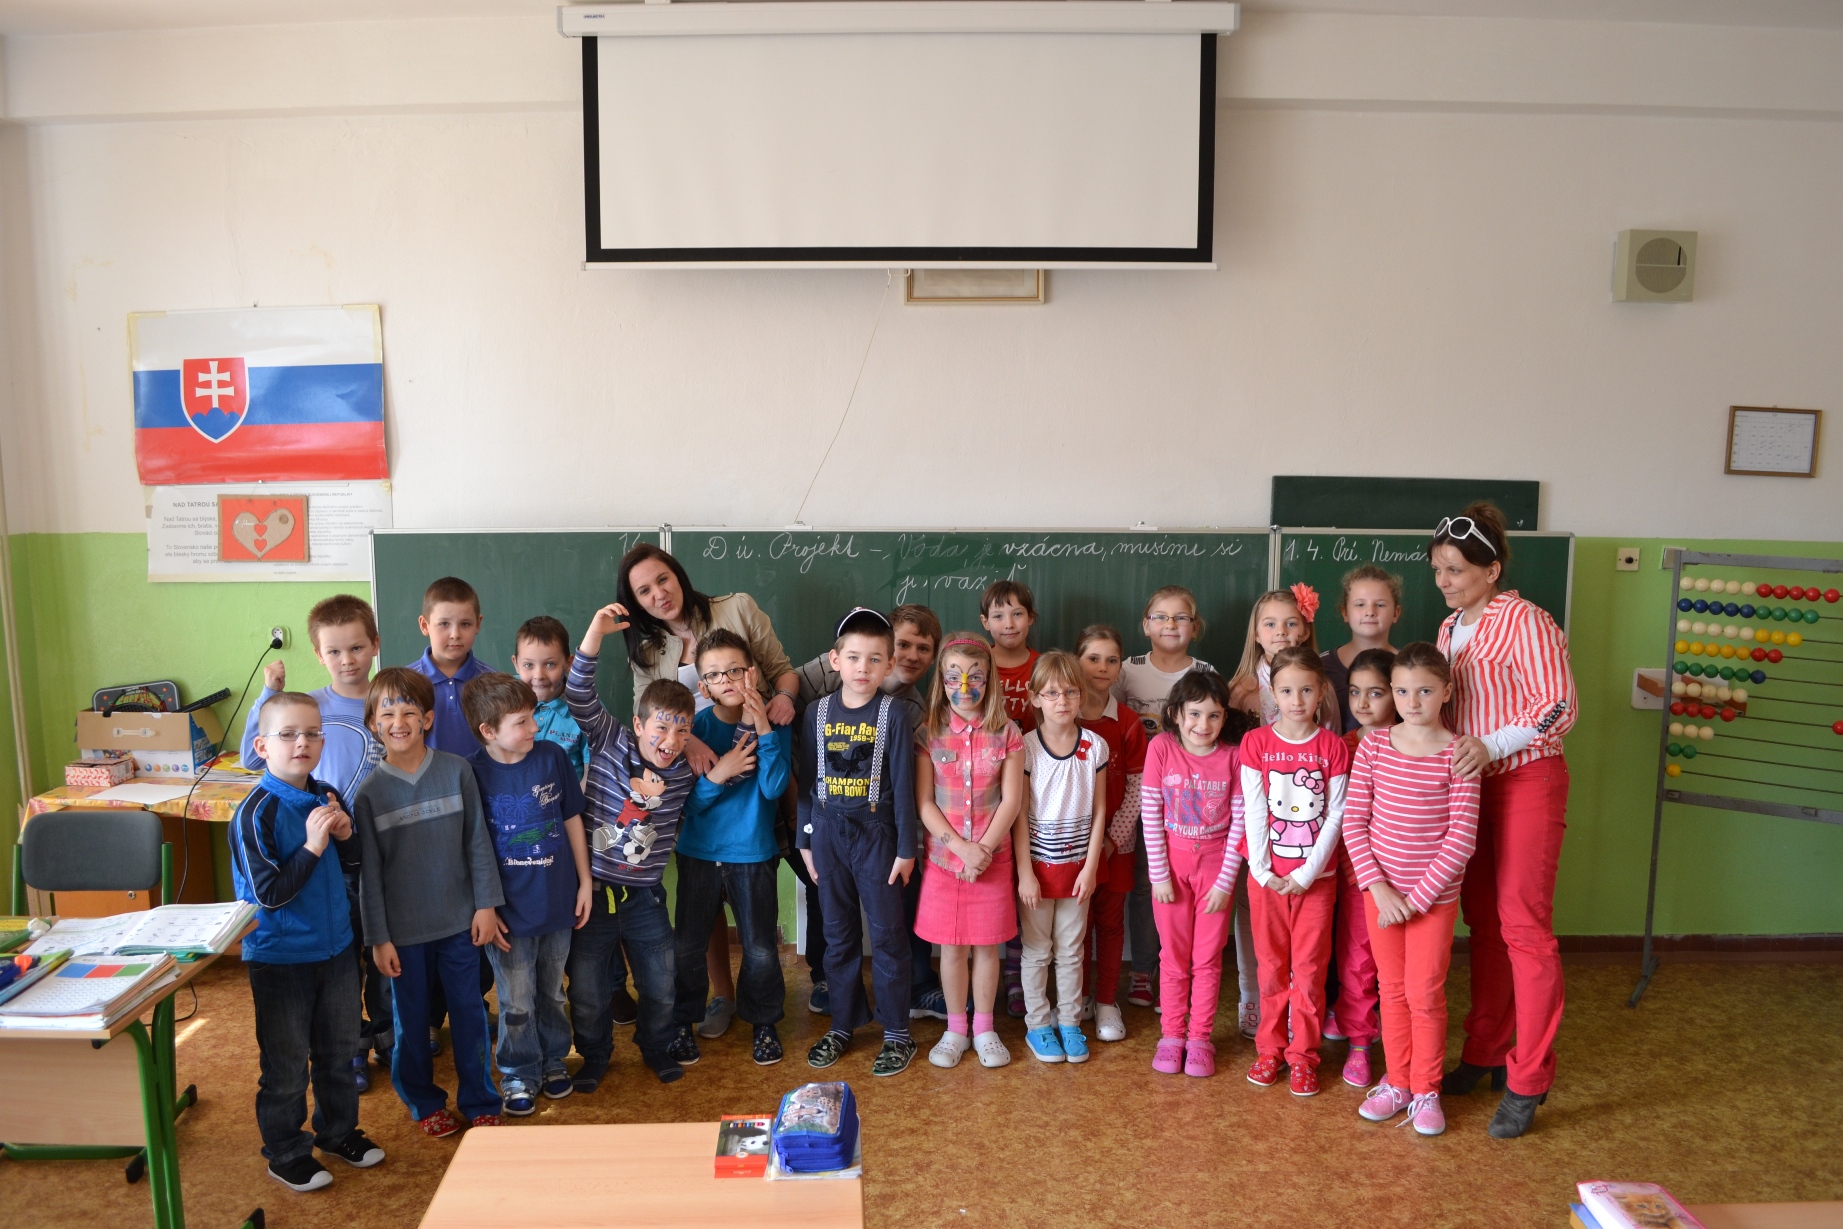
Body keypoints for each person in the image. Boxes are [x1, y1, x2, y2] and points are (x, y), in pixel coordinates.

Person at [1430, 503, 1577, 1139]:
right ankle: (1486, 1050)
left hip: (1526, 781)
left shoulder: (1526, 620)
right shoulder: (1448, 629)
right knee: (1484, 924)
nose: (1444, 580)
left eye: (1456, 569)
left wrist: (1492, 744)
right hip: (1472, 788)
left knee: (1523, 927)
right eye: (1438, 569)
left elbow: (1558, 706)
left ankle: (1529, 1077)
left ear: (1491, 570)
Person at [230, 691, 385, 1192]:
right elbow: (268, 895)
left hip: (336, 949)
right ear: (262, 746)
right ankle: (286, 1151)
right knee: (286, 1066)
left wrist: (344, 836)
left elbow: (355, 864)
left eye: (313, 733)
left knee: (338, 1053)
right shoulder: (254, 812)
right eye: (288, 734)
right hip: (281, 960)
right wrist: (315, 845)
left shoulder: (326, 794)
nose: (303, 743)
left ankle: (338, 1133)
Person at [236, 594, 391, 1088]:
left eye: (356, 648)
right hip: (327, 854)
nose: (347, 660)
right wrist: (269, 693)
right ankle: (352, 1047)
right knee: (344, 955)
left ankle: (387, 1037)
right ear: (319, 654)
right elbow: (252, 758)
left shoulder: (389, 700)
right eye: (334, 651)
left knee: (380, 949)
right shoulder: (310, 709)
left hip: (377, 847)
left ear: (375, 646)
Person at [350, 668, 505, 1138]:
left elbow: (478, 842)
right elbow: (370, 876)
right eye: (387, 714)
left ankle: (480, 1099)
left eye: (409, 712)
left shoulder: (457, 772)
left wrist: (486, 905)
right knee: (412, 1024)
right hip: (403, 934)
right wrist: (378, 939)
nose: (398, 722)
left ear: (428, 719)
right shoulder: (369, 795)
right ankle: (423, 1101)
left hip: (460, 924)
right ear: (373, 724)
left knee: (470, 1016)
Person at [1345, 643, 1481, 1138]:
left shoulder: (1458, 754)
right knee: (1392, 990)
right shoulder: (1375, 747)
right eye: (1401, 691)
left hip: (1431, 902)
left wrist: (1416, 901)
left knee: (1424, 993)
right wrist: (1380, 890)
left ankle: (1426, 1088)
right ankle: (1398, 1081)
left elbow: (1461, 838)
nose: (1412, 701)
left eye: (1424, 691)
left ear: (1446, 691)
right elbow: (1355, 823)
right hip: (1381, 897)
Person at [565, 604, 700, 1089]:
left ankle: (656, 1047)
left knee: (660, 984)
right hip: (594, 894)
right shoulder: (610, 740)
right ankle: (595, 1055)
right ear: (639, 725)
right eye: (661, 727)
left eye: (682, 730)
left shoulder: (684, 771)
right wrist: (594, 634)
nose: (671, 739)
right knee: (587, 991)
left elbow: (721, 773)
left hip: (645, 898)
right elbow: (578, 693)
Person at [790, 604, 941, 1019]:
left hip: (877, 834)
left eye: (875, 659)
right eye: (854, 657)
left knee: (889, 935)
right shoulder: (816, 712)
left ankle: (895, 1029)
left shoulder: (897, 713)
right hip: (826, 834)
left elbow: (905, 789)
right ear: (835, 660)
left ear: (888, 664)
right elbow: (808, 783)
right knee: (838, 936)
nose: (863, 667)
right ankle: (844, 1023)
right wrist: (804, 841)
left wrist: (906, 849)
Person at [461, 672, 591, 1117]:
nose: (535, 727)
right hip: (508, 913)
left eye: (533, 716)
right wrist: (485, 906)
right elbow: (470, 847)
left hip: (558, 901)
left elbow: (571, 818)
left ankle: (554, 1060)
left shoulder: (552, 757)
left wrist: (585, 882)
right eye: (522, 722)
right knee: (515, 1000)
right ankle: (518, 1070)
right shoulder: (471, 773)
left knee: (552, 993)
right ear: (488, 731)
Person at [670, 629, 790, 1069]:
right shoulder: (695, 731)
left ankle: (764, 1022)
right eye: (715, 674)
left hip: (752, 853)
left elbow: (774, 787)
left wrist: (763, 728)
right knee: (688, 945)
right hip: (699, 853)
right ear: (702, 686)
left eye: (735, 670)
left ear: (752, 673)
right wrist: (719, 773)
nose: (727, 680)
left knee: (760, 948)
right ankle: (683, 1021)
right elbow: (688, 805)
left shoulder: (772, 727)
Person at [1238, 647, 1351, 1098]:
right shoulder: (1256, 743)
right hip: (1265, 879)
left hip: (1315, 882)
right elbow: (1253, 810)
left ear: (1321, 691)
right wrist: (1262, 870)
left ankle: (1303, 1055)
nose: (1297, 700)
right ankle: (1270, 1049)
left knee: (1308, 969)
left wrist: (1306, 875)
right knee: (1270, 967)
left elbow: (1336, 815)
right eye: (1286, 691)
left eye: (1306, 690)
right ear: (1273, 692)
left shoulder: (1333, 748)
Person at [913, 632, 1024, 1071]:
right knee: (952, 949)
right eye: (953, 676)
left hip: (992, 861)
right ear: (941, 680)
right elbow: (925, 803)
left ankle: (985, 1028)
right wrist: (960, 848)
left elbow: (1011, 801)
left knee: (987, 948)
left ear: (989, 679)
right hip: (944, 862)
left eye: (974, 676)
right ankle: (956, 1028)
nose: (964, 687)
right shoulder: (928, 733)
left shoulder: (1007, 733)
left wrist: (983, 851)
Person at [1111, 588, 1219, 1021]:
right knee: (1145, 882)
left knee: (1181, 887)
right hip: (1138, 790)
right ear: (1145, 625)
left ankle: (1181, 970)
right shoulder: (1127, 669)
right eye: (1160, 616)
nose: (1171, 625)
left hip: (1191, 801)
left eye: (1181, 617)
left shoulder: (1206, 672)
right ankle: (1143, 968)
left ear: (1195, 625)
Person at [1142, 670, 1249, 1079]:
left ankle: (1200, 1039)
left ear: (1224, 718)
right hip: (1171, 868)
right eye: (1195, 714)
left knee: (1207, 959)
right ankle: (1171, 1036)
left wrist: (1225, 882)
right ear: (1175, 714)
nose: (1203, 725)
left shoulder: (1233, 757)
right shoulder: (1161, 748)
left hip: (1216, 870)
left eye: (1214, 715)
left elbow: (1240, 823)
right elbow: (1151, 814)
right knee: (1173, 957)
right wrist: (1159, 875)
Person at [1017, 651, 1109, 1066]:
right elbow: (1019, 814)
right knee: (1037, 951)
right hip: (1037, 870)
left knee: (1072, 950)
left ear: (1081, 695)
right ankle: (1038, 1024)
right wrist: (1025, 873)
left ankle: (1069, 1021)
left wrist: (1090, 868)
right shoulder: (1025, 748)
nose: (1062, 701)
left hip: (1078, 872)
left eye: (1071, 692)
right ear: (1035, 697)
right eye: (1052, 693)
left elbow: (1100, 810)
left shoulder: (1095, 747)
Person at [1324, 646, 1397, 1088]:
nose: (1363, 703)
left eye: (1376, 692)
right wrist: (1358, 872)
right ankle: (1359, 1042)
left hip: (1406, 876)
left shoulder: (1416, 744)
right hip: (1358, 875)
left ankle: (1395, 1040)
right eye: (1354, 692)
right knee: (1356, 961)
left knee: (1396, 967)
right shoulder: (1345, 747)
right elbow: (1340, 817)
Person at [1074, 624, 1146, 1044]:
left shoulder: (1128, 722)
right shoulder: (1061, 714)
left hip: (1116, 847)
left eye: (1112, 660)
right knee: (1076, 926)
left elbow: (1137, 788)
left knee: (1110, 924)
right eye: (1093, 658)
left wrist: (1110, 840)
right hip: (1068, 847)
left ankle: (1106, 1002)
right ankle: (1080, 996)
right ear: (1076, 661)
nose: (1102, 667)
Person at [980, 581, 1038, 1018]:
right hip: (982, 788)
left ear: (1031, 619)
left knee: (1025, 880)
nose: (1009, 623)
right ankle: (987, 974)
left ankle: (1018, 975)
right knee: (993, 883)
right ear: (985, 623)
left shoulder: (1043, 666)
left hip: (1035, 785)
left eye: (1017, 613)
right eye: (998, 615)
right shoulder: (977, 664)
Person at [408, 577, 498, 757]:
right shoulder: (405, 684)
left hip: (481, 776)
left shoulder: (495, 683)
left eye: (465, 624)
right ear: (424, 625)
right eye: (444, 624)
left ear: (478, 624)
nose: (455, 634)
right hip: (424, 776)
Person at [1321, 566, 1404, 734]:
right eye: (1360, 604)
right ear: (1345, 612)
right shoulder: (1321, 667)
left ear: (1396, 613)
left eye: (1380, 604)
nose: (1370, 612)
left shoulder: (1409, 666)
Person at [512, 615, 592, 781]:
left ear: (569, 663)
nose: (539, 675)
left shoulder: (587, 710)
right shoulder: (504, 701)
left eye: (550, 664)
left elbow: (591, 773)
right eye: (528, 665)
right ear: (516, 664)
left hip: (569, 796)